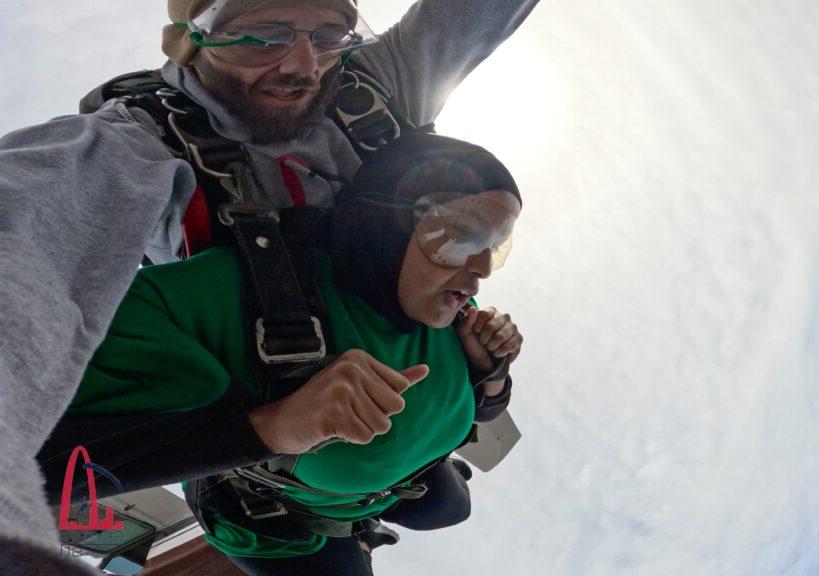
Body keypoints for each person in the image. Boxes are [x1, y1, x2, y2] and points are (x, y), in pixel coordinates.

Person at [0, 0, 537, 571]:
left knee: (445, 507)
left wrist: (483, 371)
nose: (304, 65)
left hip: (402, 392)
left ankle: (391, 486)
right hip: (274, 461)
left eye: (330, 35)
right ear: (189, 37)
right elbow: (27, 222)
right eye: (262, 36)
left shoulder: (373, 85)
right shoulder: (130, 149)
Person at [57, 133, 524, 574]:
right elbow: (32, 456)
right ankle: (359, 535)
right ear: (391, 218)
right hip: (280, 519)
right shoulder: (244, 295)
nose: (482, 269)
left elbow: (486, 410)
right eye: (465, 234)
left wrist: (490, 370)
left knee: (448, 509)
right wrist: (272, 426)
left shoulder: (454, 311)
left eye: (493, 247)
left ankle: (387, 501)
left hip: (395, 481)